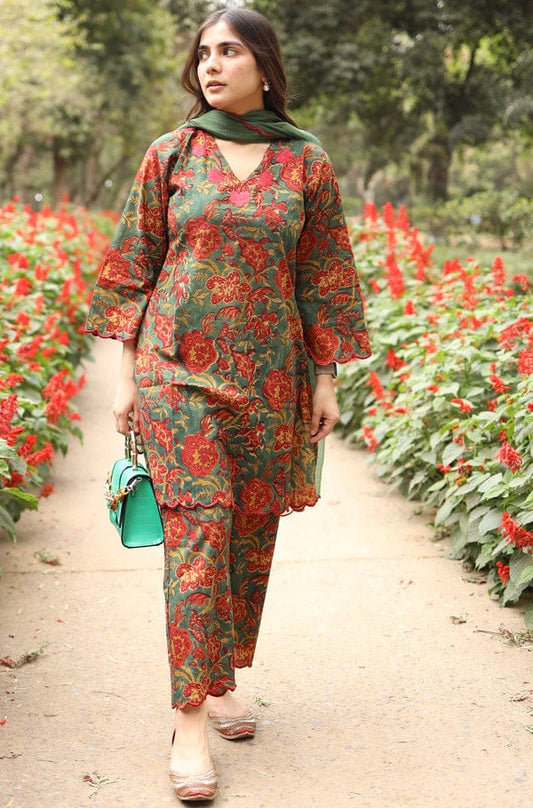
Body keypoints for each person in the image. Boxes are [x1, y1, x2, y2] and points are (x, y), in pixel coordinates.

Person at [85, 6, 370, 802]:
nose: (211, 65)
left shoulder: (305, 162)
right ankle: (187, 723)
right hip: (176, 374)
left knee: (248, 534)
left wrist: (325, 378)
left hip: (270, 378)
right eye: (204, 53)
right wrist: (127, 378)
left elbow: (324, 274)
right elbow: (132, 265)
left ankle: (223, 677)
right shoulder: (171, 153)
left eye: (230, 51)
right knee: (199, 534)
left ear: (264, 65)